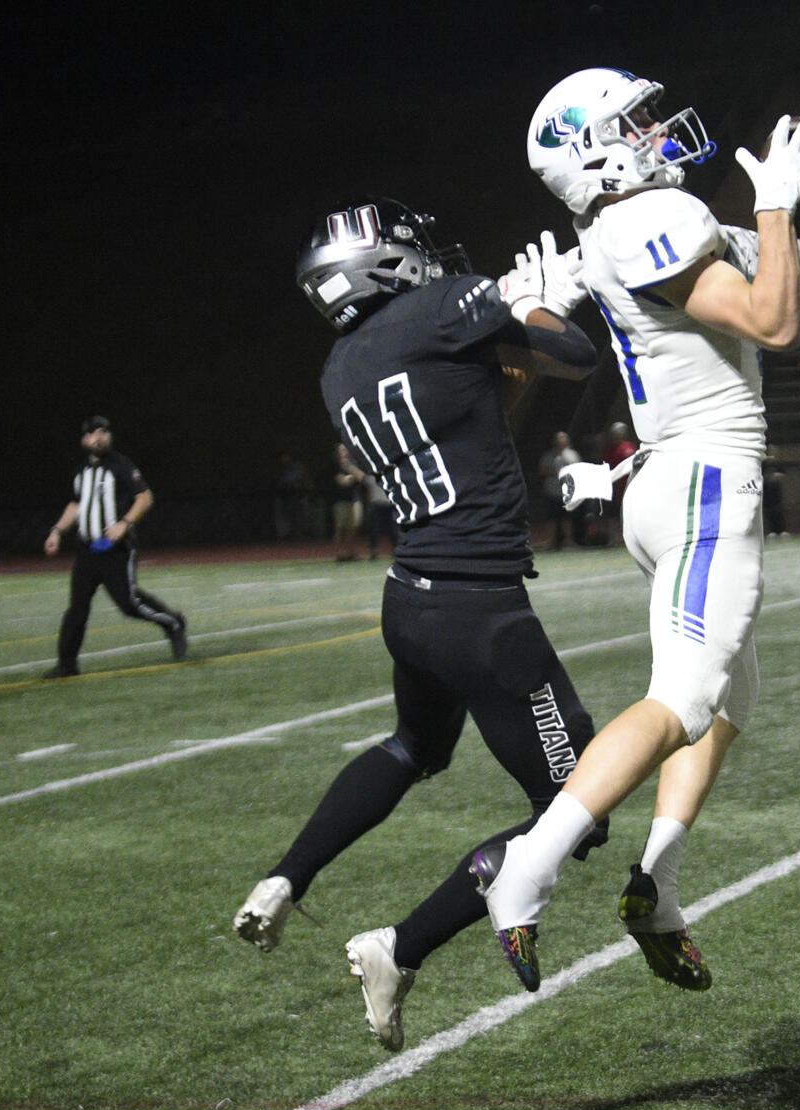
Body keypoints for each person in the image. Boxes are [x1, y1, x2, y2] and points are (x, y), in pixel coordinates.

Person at [470, 71, 800, 993]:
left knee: (726, 702)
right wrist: (766, 203)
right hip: (704, 477)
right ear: (594, 148)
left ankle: (658, 889)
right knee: (680, 701)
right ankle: (525, 870)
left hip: (669, 480)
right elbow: (775, 321)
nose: (652, 127)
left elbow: (763, 278)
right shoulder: (649, 219)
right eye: (630, 120)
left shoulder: (638, 222)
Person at [233, 196, 607, 1052]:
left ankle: (286, 877)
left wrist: (513, 321)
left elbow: (466, 408)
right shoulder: (440, 307)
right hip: (482, 612)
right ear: (383, 263)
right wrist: (542, 304)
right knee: (577, 806)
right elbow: (575, 356)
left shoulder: (339, 369)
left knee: (415, 746)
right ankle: (399, 946)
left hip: (412, 596)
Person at [42, 415, 187, 678]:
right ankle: (67, 663)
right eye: (93, 433)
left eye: (104, 432)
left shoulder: (120, 465)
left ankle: (174, 623)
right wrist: (57, 530)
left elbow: (145, 498)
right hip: (87, 550)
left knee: (129, 604)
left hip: (115, 548)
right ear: (84, 439)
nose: (99, 437)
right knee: (77, 607)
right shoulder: (81, 471)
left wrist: (124, 524)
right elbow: (76, 505)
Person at [539, 430, 582, 549]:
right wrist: (557, 472)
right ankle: (550, 542)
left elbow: (578, 470)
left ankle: (568, 541)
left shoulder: (573, 454)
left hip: (568, 492)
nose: (561, 441)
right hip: (552, 491)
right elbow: (542, 470)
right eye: (558, 438)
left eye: (563, 438)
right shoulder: (549, 455)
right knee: (552, 518)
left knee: (567, 518)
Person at [330, 442, 364, 562]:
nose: (344, 452)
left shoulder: (352, 465)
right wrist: (352, 476)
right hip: (340, 501)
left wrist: (350, 469)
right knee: (340, 528)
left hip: (353, 500)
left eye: (345, 450)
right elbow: (343, 482)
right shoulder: (335, 466)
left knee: (352, 528)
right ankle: (339, 553)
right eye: (341, 450)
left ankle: (350, 552)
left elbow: (361, 477)